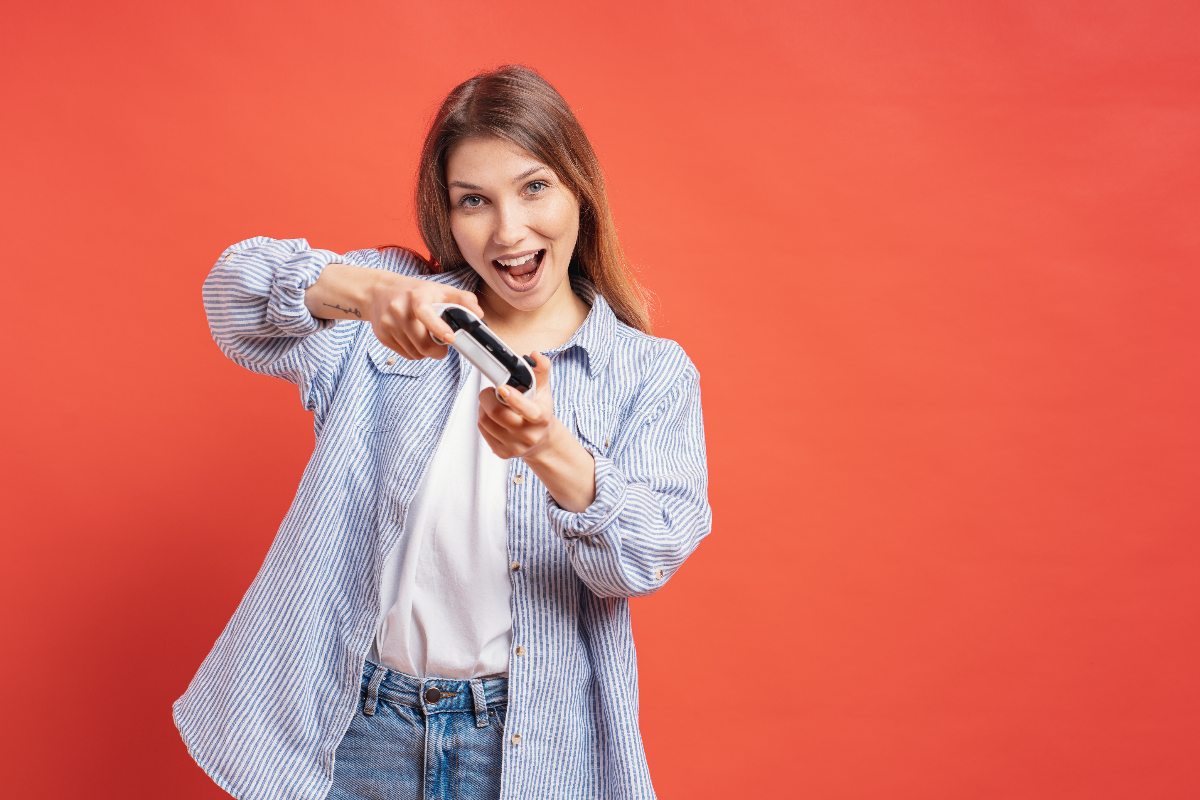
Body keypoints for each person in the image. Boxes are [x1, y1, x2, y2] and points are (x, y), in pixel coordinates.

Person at [172, 64, 713, 800]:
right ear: (447, 214)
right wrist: (370, 293)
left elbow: (646, 556)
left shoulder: (648, 373)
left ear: (579, 189)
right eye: (474, 201)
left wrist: (549, 448)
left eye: (533, 188)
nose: (509, 231)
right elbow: (231, 298)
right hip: (355, 724)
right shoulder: (395, 310)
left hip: (523, 747)